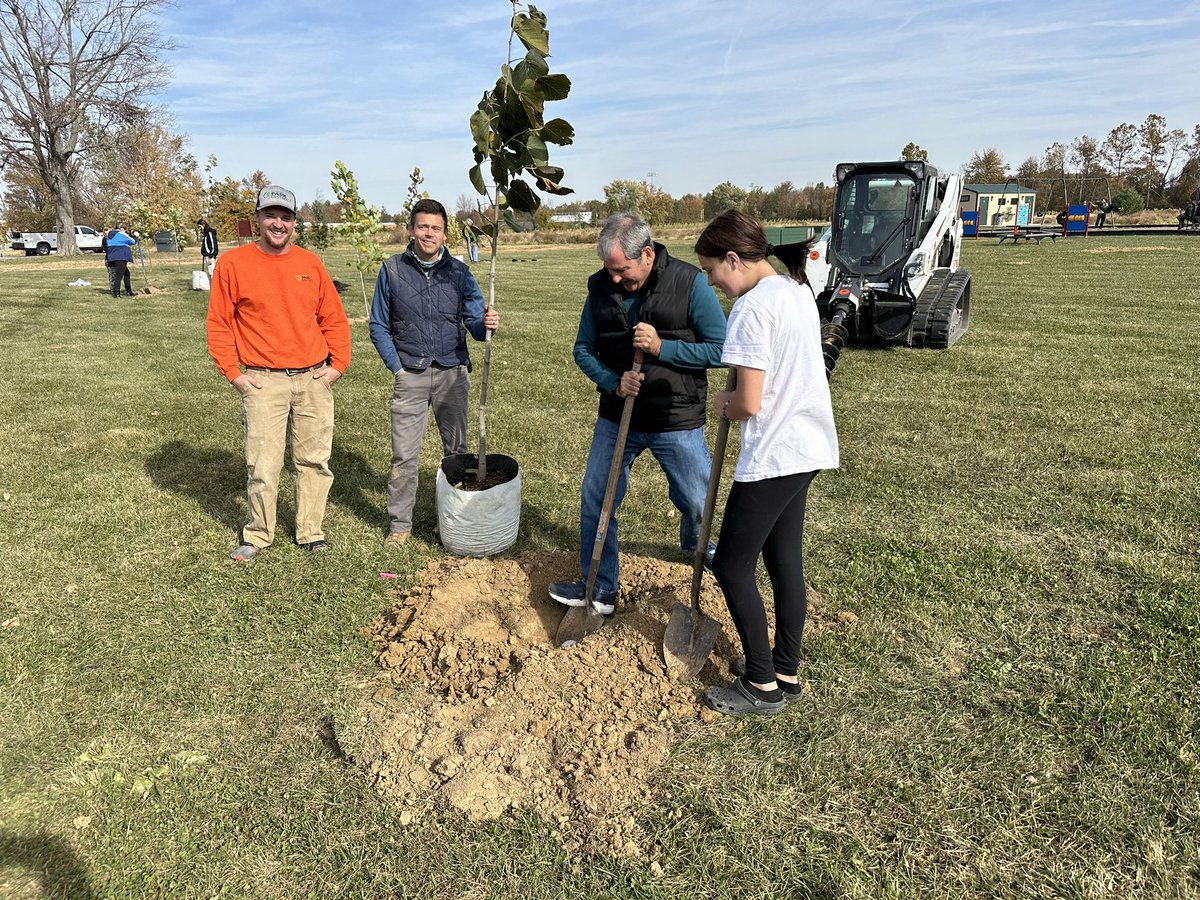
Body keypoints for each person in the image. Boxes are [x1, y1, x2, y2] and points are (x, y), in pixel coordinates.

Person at [693, 210, 839, 717]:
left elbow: (749, 402)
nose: (711, 282)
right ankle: (786, 671)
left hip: (776, 453)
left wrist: (724, 404)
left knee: (732, 565)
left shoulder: (751, 308)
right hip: (809, 445)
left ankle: (760, 684)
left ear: (734, 259)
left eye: (712, 270)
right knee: (783, 561)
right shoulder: (795, 290)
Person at [548, 212, 726, 615]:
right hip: (617, 416)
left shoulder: (689, 283)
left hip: (674, 416)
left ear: (647, 254)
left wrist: (664, 348)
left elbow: (721, 349)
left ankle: (699, 544)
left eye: (621, 270)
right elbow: (582, 349)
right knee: (597, 498)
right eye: (608, 269)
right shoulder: (600, 287)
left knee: (696, 499)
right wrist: (614, 382)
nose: (613, 278)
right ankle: (600, 586)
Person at [205, 185, 351, 561]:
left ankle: (311, 531)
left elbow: (333, 317)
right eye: (271, 215)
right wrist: (234, 374)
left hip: (313, 378)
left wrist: (337, 366)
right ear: (257, 218)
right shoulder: (233, 264)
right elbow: (219, 323)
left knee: (314, 460)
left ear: (294, 222)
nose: (278, 223)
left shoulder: (311, 264)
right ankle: (258, 534)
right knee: (263, 463)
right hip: (262, 379)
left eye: (286, 217)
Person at [368, 198, 499, 546]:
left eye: (436, 228)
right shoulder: (392, 270)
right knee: (404, 455)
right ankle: (400, 525)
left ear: (444, 234)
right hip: (410, 373)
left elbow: (474, 324)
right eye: (423, 226)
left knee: (457, 452)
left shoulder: (459, 273)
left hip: (452, 373)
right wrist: (398, 369)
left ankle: (453, 521)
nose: (429, 233)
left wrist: (486, 323)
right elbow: (378, 325)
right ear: (411, 229)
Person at [105, 225, 138, 297]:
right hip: (121, 256)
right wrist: (136, 236)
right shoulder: (121, 234)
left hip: (112, 257)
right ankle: (117, 293)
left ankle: (129, 291)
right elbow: (133, 241)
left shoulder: (110, 236)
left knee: (126, 273)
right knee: (119, 275)